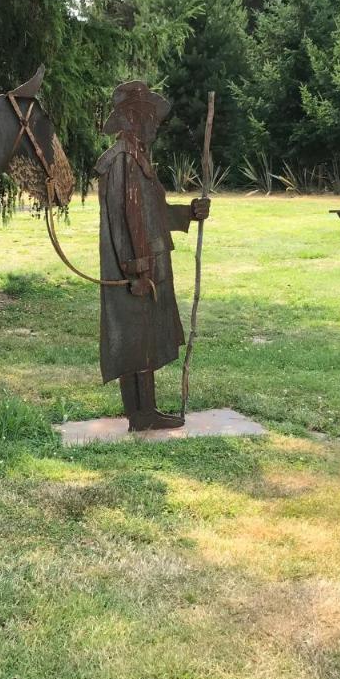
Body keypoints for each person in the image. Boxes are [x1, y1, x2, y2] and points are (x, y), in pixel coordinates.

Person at [96, 81, 210, 430]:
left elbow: (150, 212)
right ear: (131, 118)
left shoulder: (137, 158)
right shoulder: (123, 161)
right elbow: (125, 220)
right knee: (138, 335)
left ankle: (142, 411)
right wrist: (138, 269)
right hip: (136, 267)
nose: (154, 124)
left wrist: (190, 212)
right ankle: (142, 412)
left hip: (147, 262)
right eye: (149, 116)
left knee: (141, 336)